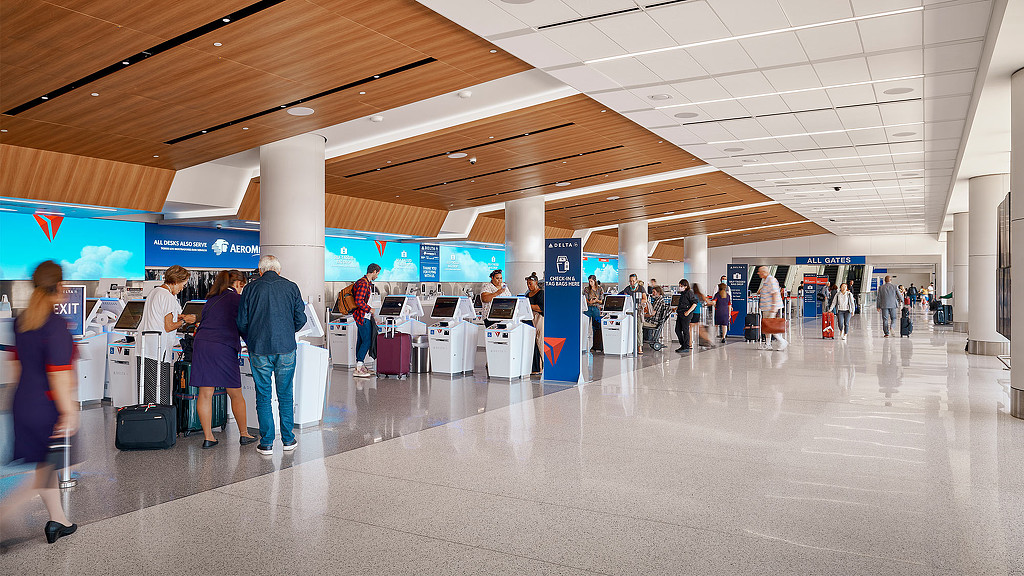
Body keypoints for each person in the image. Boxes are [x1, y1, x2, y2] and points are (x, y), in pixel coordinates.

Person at [0, 261, 79, 544]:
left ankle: (58, 519)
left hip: (24, 402)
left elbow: (16, 368)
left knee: (45, 468)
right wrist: (69, 411)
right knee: (43, 472)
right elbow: (58, 374)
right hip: (48, 408)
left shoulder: (22, 321)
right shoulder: (55, 325)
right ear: (60, 286)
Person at [236, 255, 307, 456]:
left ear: (260, 271)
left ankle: (266, 443)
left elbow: (241, 321)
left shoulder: (250, 288)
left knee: (264, 395)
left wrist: (251, 338)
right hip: (285, 348)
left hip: (259, 348)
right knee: (285, 394)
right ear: (278, 270)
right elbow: (300, 318)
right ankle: (288, 439)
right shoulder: (291, 287)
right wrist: (286, 331)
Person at [191, 270, 257, 449]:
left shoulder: (211, 299)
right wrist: (251, 342)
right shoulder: (236, 299)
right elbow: (243, 324)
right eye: (242, 286)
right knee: (235, 392)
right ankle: (244, 434)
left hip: (202, 344)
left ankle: (208, 437)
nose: (242, 290)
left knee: (205, 393)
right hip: (223, 346)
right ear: (237, 284)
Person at [140, 266, 196, 396]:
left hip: (146, 347)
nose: (183, 288)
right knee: (160, 391)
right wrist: (184, 321)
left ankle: (149, 414)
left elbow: (159, 315)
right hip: (158, 350)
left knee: (148, 390)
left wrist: (179, 316)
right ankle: (160, 414)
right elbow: (169, 326)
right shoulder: (168, 296)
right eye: (183, 284)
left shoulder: (155, 292)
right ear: (176, 281)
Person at [350, 263, 380, 378]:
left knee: (361, 340)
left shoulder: (365, 283)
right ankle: (359, 367)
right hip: (363, 316)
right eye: (377, 273)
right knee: (367, 341)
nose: (377, 276)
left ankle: (359, 366)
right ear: (373, 271)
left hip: (362, 316)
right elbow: (359, 301)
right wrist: (370, 309)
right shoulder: (363, 283)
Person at [756, 266, 787, 350]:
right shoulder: (765, 281)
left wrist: (773, 306)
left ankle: (782, 341)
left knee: (770, 326)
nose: (758, 273)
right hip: (766, 307)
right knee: (767, 327)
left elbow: (775, 293)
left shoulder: (771, 280)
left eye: (759, 272)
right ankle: (768, 344)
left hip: (770, 307)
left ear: (764, 272)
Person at [620, 274, 646, 353]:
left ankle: (639, 347)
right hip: (629, 312)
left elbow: (645, 299)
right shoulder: (627, 289)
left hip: (638, 311)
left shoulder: (641, 288)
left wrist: (637, 302)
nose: (632, 283)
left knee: (639, 329)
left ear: (636, 281)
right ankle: (630, 346)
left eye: (633, 281)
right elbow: (625, 299)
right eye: (630, 281)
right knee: (629, 328)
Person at [525, 273, 544, 374]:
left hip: (539, 318)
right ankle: (536, 367)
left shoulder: (541, 293)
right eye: (527, 284)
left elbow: (540, 308)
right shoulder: (527, 294)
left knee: (540, 341)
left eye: (530, 284)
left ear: (536, 283)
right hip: (530, 318)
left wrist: (529, 305)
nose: (529, 286)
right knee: (533, 343)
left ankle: (544, 365)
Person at [674, 279, 697, 352]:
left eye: (681, 286)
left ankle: (686, 347)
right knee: (677, 330)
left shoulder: (689, 293)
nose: (680, 287)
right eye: (679, 286)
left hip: (686, 315)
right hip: (680, 314)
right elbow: (683, 303)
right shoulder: (682, 294)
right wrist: (677, 308)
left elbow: (694, 303)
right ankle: (683, 344)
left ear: (686, 286)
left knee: (685, 330)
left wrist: (688, 312)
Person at [584, 275, 604, 353]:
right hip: (588, 308)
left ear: (595, 281)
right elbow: (585, 299)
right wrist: (589, 302)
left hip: (596, 308)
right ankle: (583, 345)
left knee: (596, 327)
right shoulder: (586, 289)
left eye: (591, 281)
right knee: (585, 326)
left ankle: (596, 345)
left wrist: (596, 301)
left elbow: (602, 301)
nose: (590, 283)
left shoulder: (600, 289)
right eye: (589, 281)